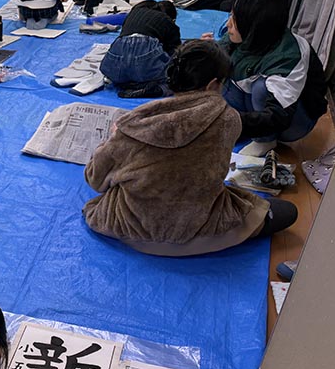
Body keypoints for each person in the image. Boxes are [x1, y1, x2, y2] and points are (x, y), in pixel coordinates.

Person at [83, 40, 297, 257]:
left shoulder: (134, 125)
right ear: (213, 85)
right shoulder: (228, 119)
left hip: (129, 228)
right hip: (205, 230)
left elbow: (95, 180)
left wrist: (112, 139)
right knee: (285, 211)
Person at [216, 0, 327, 155]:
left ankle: (265, 141)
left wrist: (233, 121)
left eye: (236, 19)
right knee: (219, 69)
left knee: (261, 87)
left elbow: (279, 115)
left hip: (291, 122)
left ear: (256, 24)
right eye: (231, 15)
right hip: (256, 104)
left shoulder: (289, 55)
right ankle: (242, 127)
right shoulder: (244, 35)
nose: (229, 24)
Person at [100, 0, 181, 98]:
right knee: (176, 77)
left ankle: (127, 84)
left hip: (115, 63)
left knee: (124, 71)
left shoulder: (133, 14)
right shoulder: (167, 21)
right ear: (172, 18)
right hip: (144, 57)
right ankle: (157, 89)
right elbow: (176, 52)